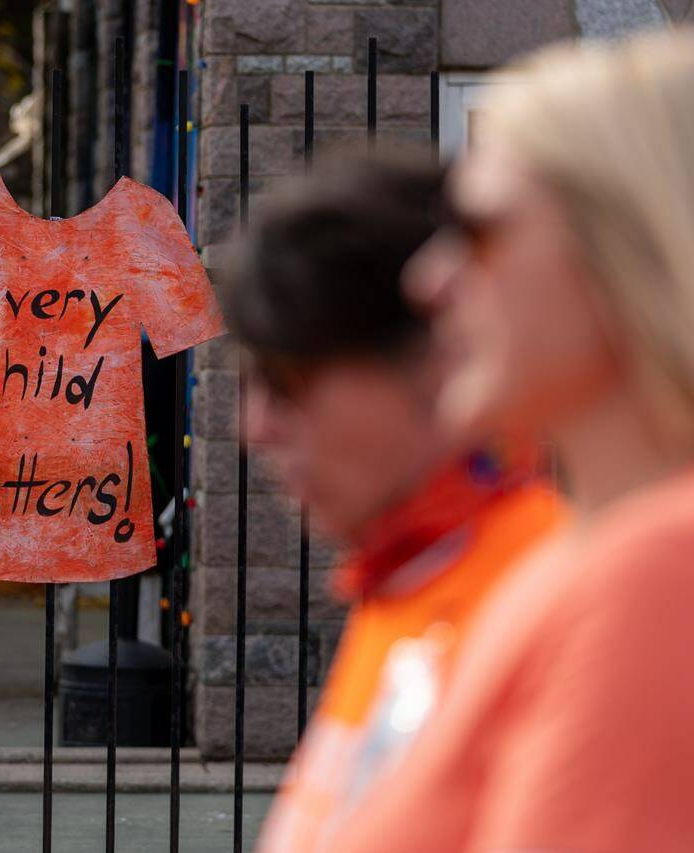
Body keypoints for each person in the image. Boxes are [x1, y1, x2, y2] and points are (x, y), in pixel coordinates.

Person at [324, 31, 694, 851]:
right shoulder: (577, 561)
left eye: (483, 231)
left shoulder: (656, 571)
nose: (431, 277)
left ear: (635, 247)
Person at [229, 158, 567, 852]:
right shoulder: (409, 573)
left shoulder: (542, 595)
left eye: (287, 379)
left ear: (435, 358)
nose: (255, 425)